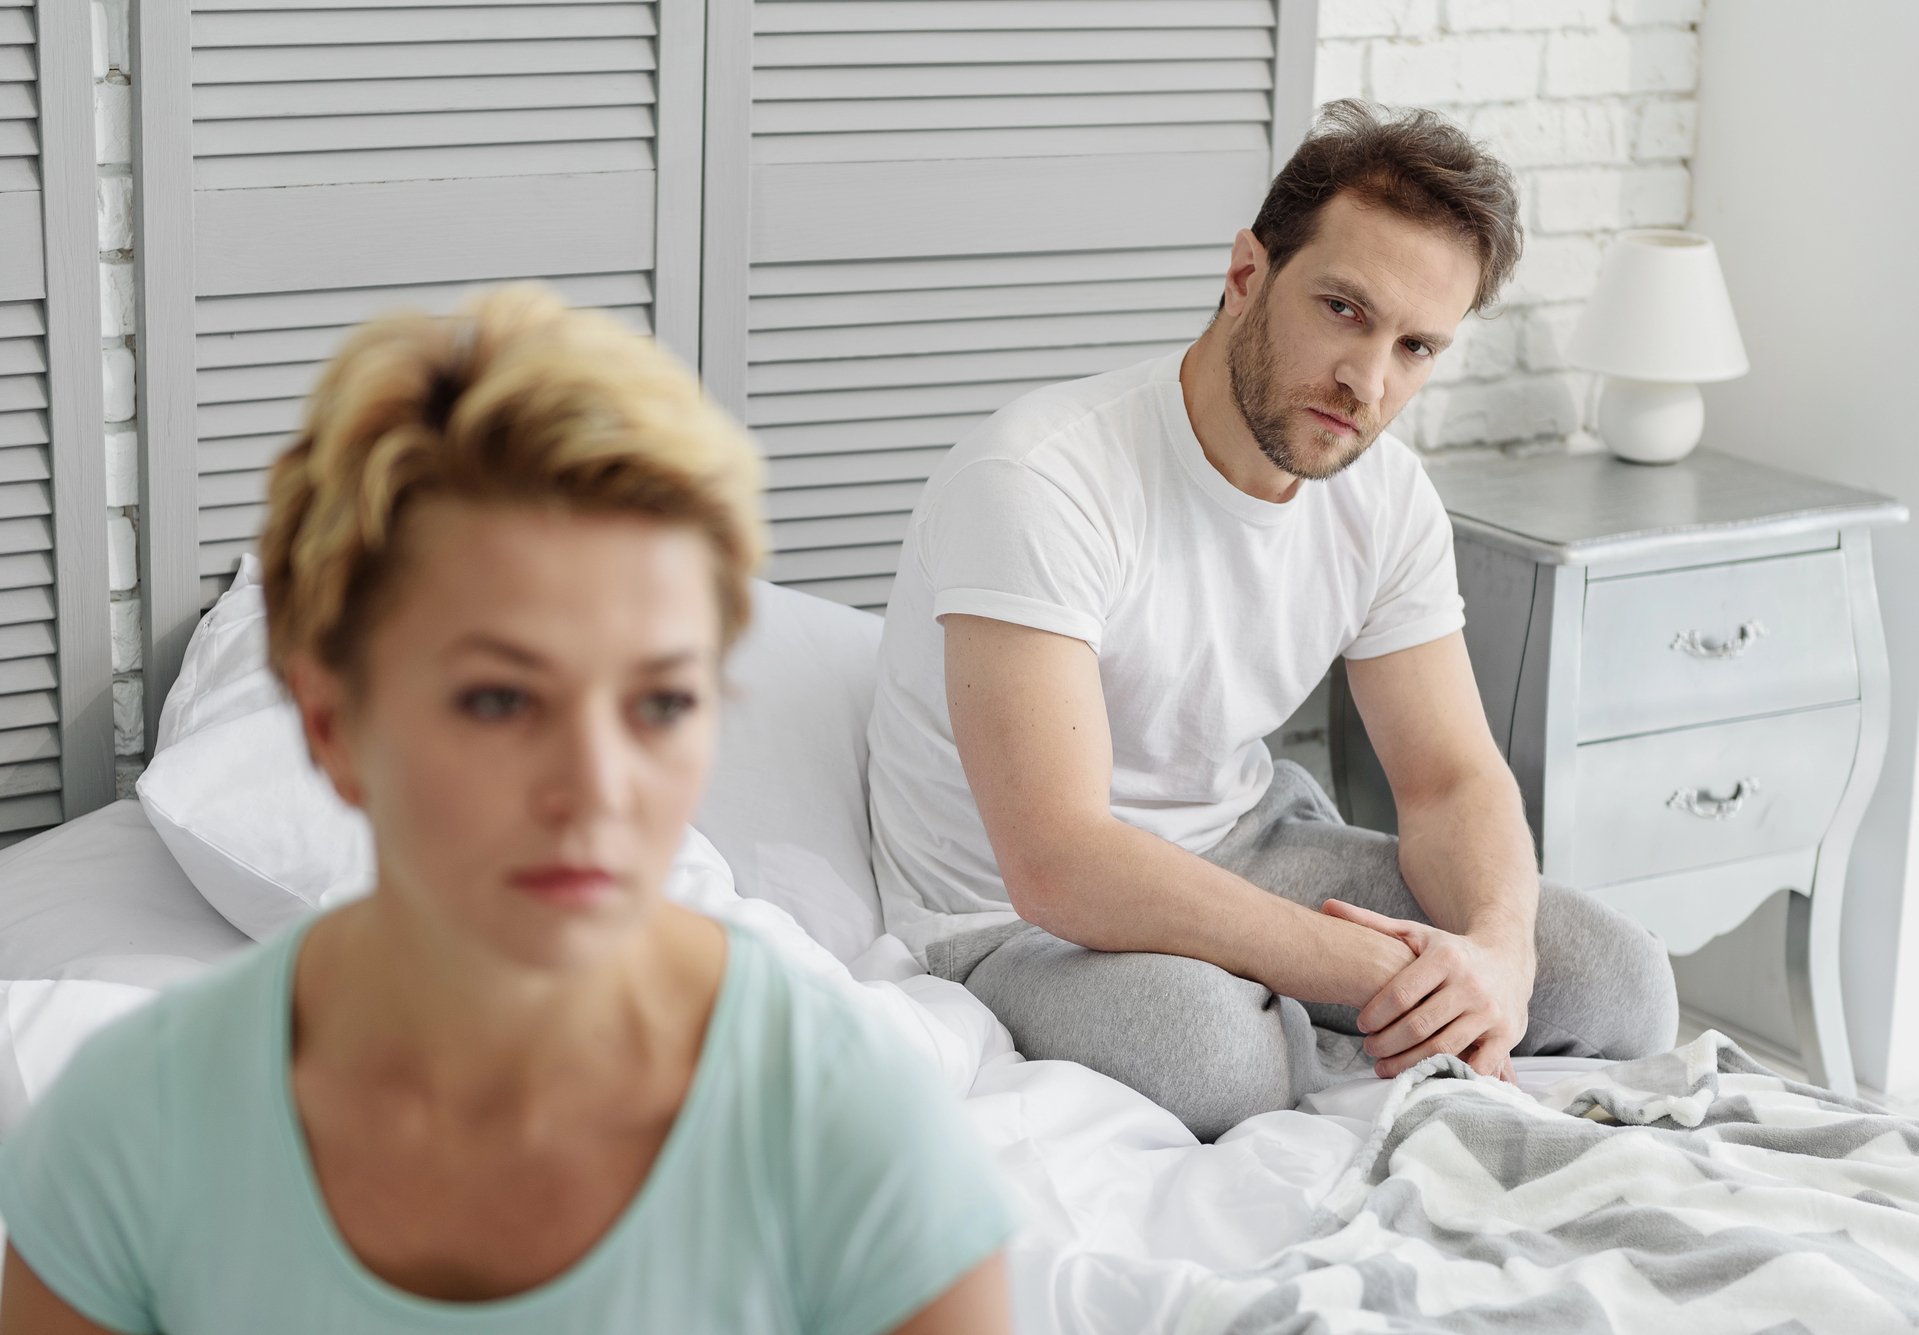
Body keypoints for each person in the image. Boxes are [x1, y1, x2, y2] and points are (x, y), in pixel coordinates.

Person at [0, 288, 1013, 1333]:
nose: (595, 786)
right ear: (333, 725)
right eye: (499, 699)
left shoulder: (852, 1128)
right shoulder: (134, 1135)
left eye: (658, 703)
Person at [866, 100, 1680, 1142]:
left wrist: (1494, 961)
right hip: (1008, 918)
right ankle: (1326, 1025)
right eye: (1342, 309)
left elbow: (1447, 781)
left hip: (1246, 846)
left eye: (1415, 346)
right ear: (1246, 273)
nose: (1367, 381)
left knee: (1618, 981)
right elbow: (1058, 859)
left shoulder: (1382, 495)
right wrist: (1387, 971)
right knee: (1214, 1061)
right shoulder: (1038, 477)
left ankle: (1359, 1018)